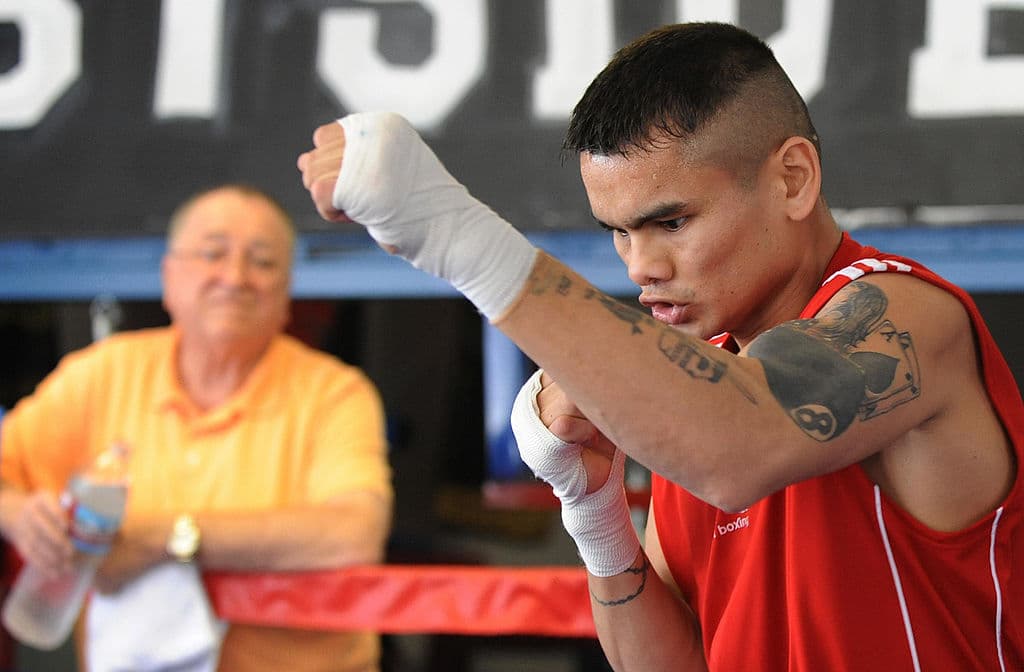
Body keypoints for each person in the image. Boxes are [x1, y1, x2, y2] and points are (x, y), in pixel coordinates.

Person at [297, 21, 1022, 671]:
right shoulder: (698, 384)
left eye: (670, 222)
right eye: (618, 230)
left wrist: (459, 239)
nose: (640, 266)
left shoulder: (904, 313)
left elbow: (739, 443)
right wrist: (595, 512)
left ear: (792, 179)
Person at [0, 185, 393, 671]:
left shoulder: (335, 393)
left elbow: (352, 535)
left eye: (263, 262)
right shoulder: (103, 373)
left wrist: (165, 537)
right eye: (212, 253)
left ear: (287, 293)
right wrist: (20, 515)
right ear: (168, 277)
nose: (235, 277)